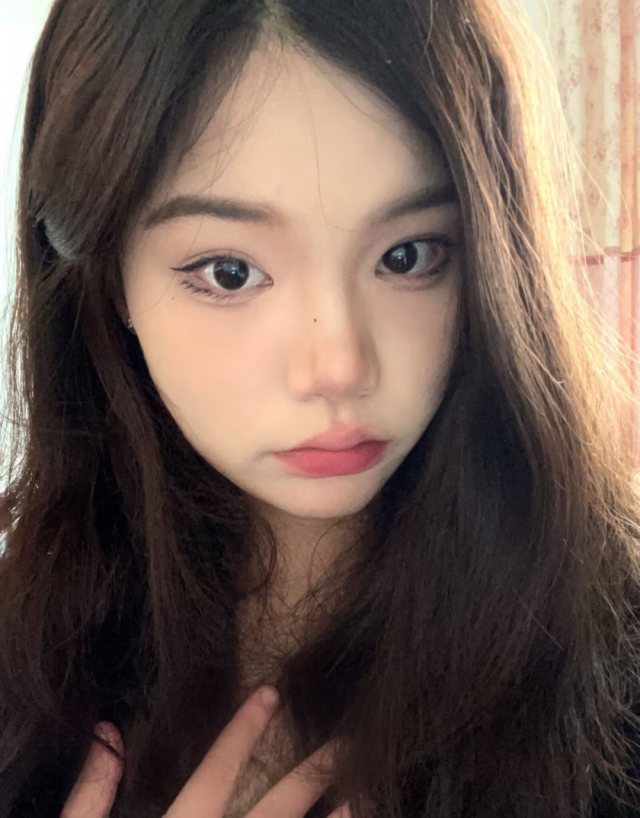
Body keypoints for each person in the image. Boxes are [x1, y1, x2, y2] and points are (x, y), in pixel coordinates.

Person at [1, 0, 640, 816]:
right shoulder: (25, 667)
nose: (338, 366)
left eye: (407, 256)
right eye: (230, 272)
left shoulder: (611, 664)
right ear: (107, 277)